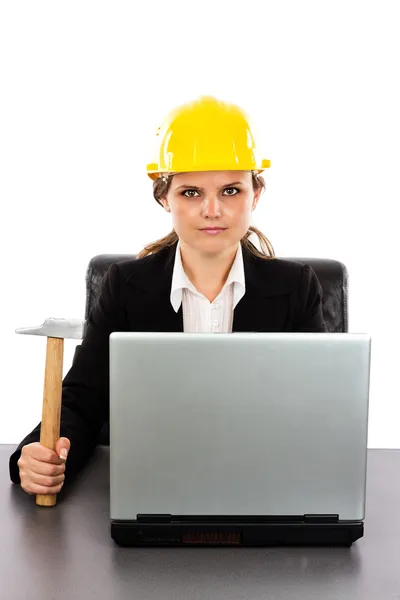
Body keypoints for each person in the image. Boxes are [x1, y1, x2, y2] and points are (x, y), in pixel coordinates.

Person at [9, 96, 327, 497]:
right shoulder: (124, 286)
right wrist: (37, 456)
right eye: (191, 193)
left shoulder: (297, 288)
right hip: (153, 485)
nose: (212, 210)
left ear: (256, 194)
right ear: (164, 197)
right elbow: (82, 399)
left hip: (262, 485)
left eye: (230, 190)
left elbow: (316, 409)